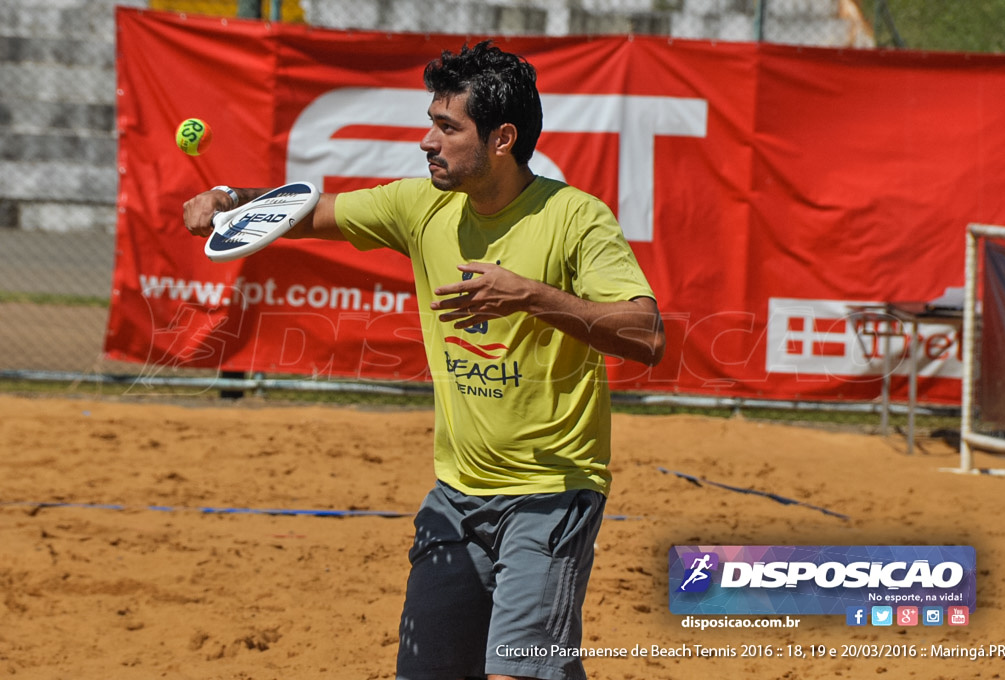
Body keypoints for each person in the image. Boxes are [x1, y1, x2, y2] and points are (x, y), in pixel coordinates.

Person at [184, 40, 665, 680]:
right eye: (430, 123)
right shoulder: (421, 205)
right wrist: (227, 198)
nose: (425, 141)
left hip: (550, 493)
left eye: (446, 126)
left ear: (502, 138)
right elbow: (305, 212)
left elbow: (646, 334)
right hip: (455, 498)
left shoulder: (575, 218)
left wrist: (528, 295)